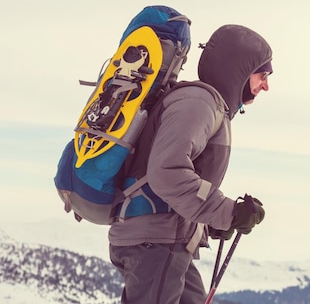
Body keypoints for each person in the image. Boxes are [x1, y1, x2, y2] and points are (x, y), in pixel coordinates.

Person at [108, 24, 272, 304]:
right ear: (240, 70)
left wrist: (212, 223)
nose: (266, 86)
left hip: (164, 240)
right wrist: (226, 211)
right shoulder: (199, 102)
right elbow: (166, 172)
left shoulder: (208, 104)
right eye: (263, 75)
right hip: (155, 242)